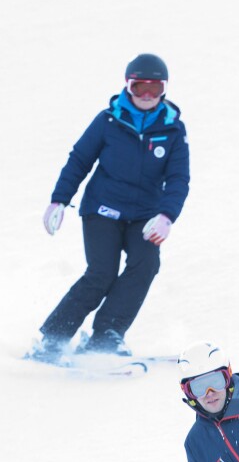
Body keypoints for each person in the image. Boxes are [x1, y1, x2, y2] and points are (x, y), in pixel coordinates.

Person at [31, 53, 190, 362]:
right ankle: (52, 339)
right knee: (101, 273)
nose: (146, 96)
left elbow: (179, 178)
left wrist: (166, 216)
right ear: (127, 87)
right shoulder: (108, 121)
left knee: (146, 264)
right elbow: (80, 159)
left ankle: (106, 334)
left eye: (154, 89)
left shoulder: (173, 130)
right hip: (102, 210)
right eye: (139, 87)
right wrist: (59, 200)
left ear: (164, 90)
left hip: (144, 216)